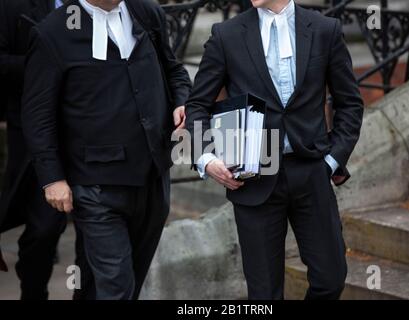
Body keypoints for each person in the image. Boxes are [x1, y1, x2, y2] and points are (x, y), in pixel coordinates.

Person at [186, 0, 364, 299]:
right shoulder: (226, 34)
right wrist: (207, 158)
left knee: (331, 279)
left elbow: (350, 103)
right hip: (253, 178)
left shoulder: (324, 29)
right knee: (264, 294)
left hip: (312, 172)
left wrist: (331, 161)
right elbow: (197, 106)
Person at [21, 0, 191, 299]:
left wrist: (182, 101)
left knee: (122, 283)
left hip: (152, 176)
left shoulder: (147, 12)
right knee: (116, 285)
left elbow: (174, 71)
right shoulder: (53, 32)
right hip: (95, 185)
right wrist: (52, 178)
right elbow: (38, 116)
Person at [0, 0, 68, 300]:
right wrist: (47, 64)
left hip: (92, 131)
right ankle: (33, 291)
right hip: (32, 130)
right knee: (42, 228)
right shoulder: (10, 5)